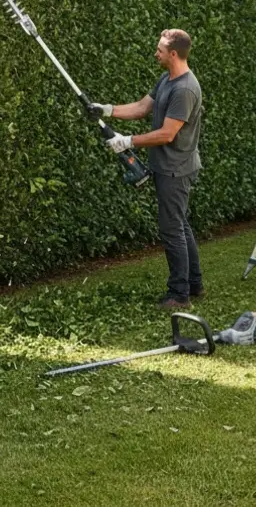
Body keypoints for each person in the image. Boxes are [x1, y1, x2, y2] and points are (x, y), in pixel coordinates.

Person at [89, 29, 204, 310]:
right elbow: (142, 107)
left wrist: (127, 141)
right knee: (180, 224)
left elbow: (167, 134)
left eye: (160, 50)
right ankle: (194, 284)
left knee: (171, 229)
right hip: (169, 165)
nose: (156, 53)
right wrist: (107, 110)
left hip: (176, 168)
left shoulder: (185, 89)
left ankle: (179, 295)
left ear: (173, 54)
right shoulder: (167, 79)